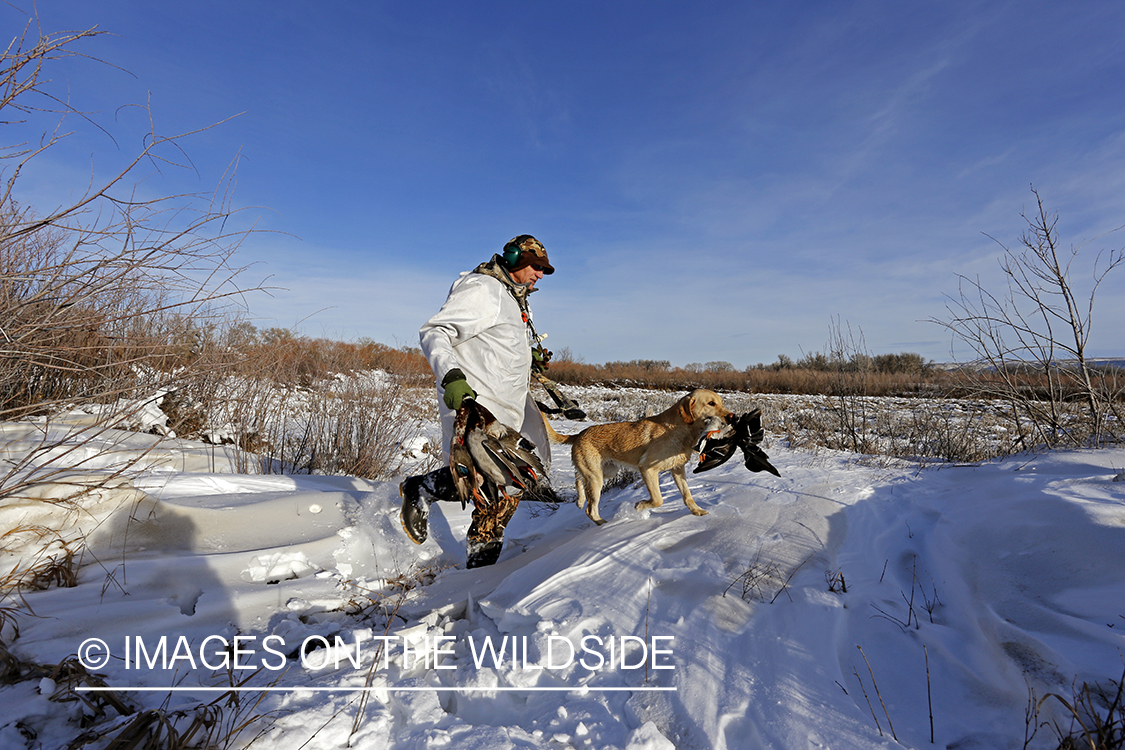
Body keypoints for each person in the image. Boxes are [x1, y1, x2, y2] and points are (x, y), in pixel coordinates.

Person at [400, 234, 555, 568]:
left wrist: (529, 357)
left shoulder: (513, 298)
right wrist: (452, 376)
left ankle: (479, 573)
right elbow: (436, 332)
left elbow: (494, 342)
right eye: (535, 266)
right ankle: (425, 493)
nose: (540, 275)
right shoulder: (484, 289)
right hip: (478, 403)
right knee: (490, 480)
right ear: (513, 258)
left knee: (506, 489)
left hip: (506, 410)